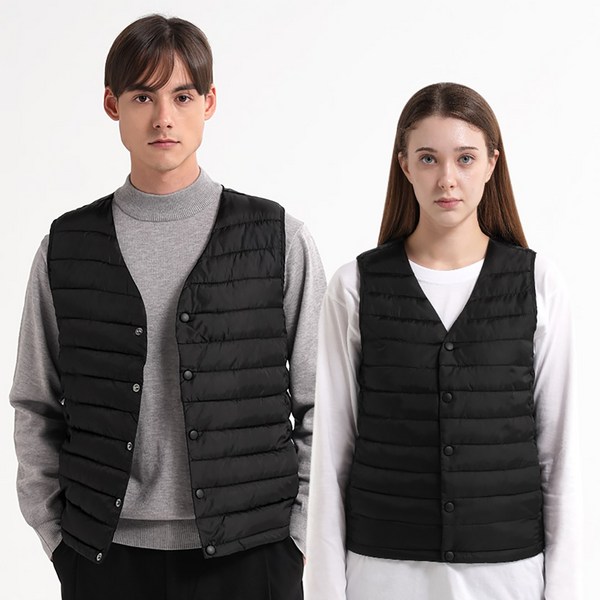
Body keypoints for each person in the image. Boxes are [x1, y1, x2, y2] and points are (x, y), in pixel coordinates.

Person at [10, 14, 325, 600]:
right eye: (142, 96)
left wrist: (297, 541)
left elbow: (322, 405)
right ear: (112, 104)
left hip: (253, 554)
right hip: (104, 558)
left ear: (209, 103)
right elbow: (35, 404)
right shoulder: (66, 247)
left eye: (182, 96)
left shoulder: (279, 238)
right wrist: (58, 540)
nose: (163, 117)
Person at [305, 82, 580, 600]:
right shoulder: (354, 287)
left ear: (492, 163)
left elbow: (558, 454)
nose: (447, 178)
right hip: (382, 573)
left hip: (507, 576)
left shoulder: (539, 284)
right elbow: (331, 456)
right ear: (405, 166)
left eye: (465, 158)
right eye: (428, 158)